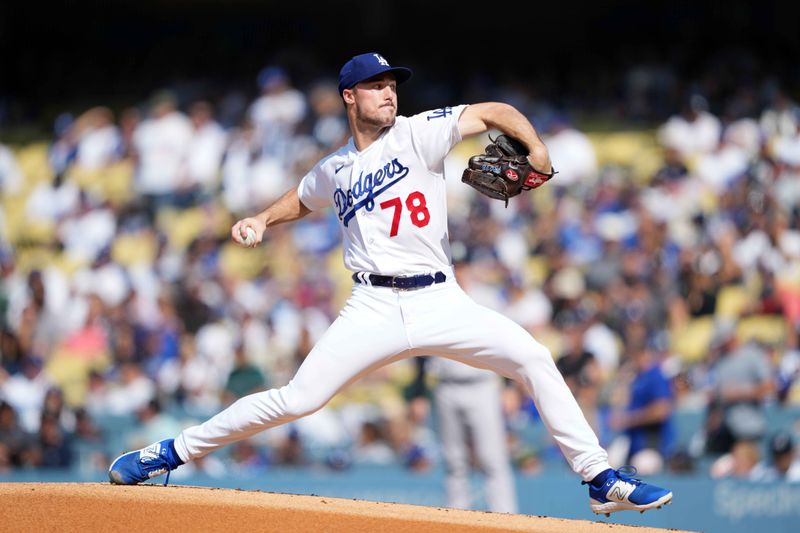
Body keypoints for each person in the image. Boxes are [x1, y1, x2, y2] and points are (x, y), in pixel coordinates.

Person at [109, 51, 672, 516]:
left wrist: (539, 148)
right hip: (372, 304)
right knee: (298, 399)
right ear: (349, 97)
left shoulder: (420, 133)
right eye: (375, 85)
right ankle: (170, 451)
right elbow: (302, 198)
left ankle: (600, 478)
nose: (388, 92)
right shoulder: (334, 168)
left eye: (391, 84)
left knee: (532, 356)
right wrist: (261, 219)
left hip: (440, 297)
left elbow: (495, 110)